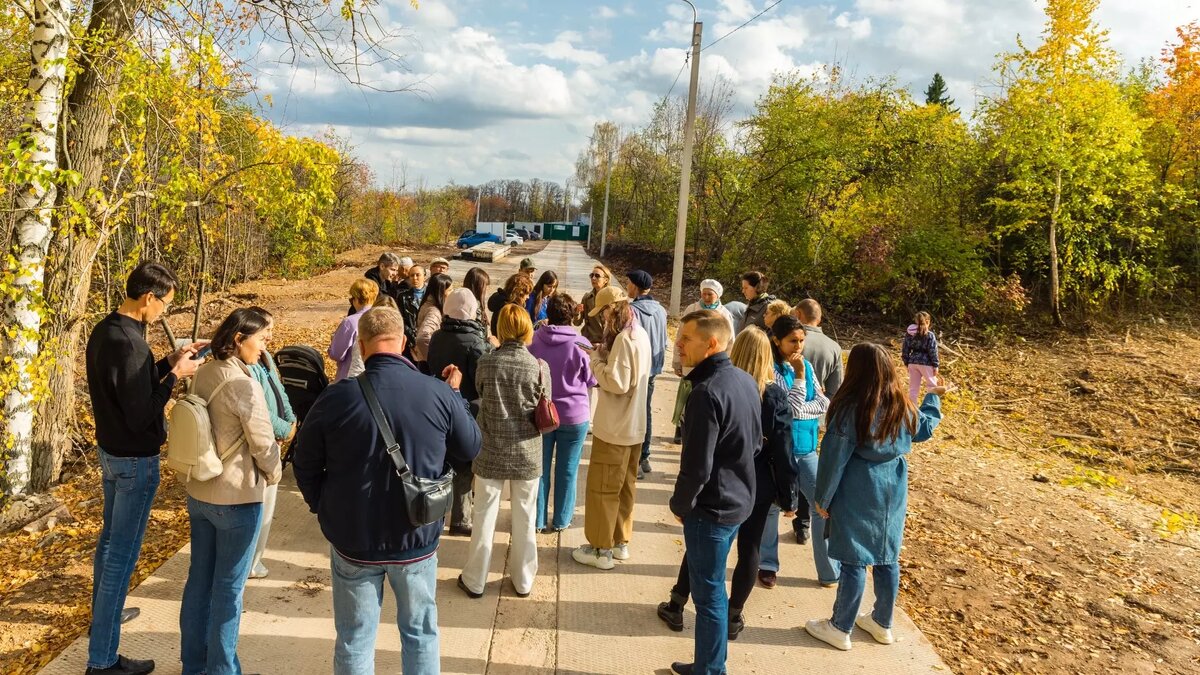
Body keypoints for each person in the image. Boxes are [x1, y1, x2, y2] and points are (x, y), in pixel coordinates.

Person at [292, 307, 482, 674]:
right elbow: (470, 448)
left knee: (354, 638)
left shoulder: (336, 398)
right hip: (416, 536)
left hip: (354, 540)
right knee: (420, 633)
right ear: (405, 344)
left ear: (361, 347)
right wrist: (455, 396)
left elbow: (304, 463)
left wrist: (324, 506)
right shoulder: (437, 393)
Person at [84, 262, 203, 675]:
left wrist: (166, 363)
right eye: (165, 305)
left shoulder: (107, 330)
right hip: (134, 459)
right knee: (121, 556)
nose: (164, 313)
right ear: (148, 297)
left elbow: (130, 388)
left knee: (108, 545)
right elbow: (142, 413)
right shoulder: (131, 343)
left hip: (112, 454)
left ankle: (103, 622)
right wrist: (175, 376)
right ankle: (102, 660)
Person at [657, 326, 797, 644]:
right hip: (757, 487)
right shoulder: (772, 393)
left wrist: (682, 502)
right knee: (750, 548)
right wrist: (790, 496)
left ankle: (678, 601)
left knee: (701, 549)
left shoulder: (727, 387)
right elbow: (784, 448)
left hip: (724, 482)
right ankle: (734, 614)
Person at [804, 344, 949, 651]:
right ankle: (883, 623)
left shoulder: (852, 406)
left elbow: (834, 456)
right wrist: (933, 397)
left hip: (858, 485)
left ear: (856, 369)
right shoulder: (901, 404)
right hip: (893, 486)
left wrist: (822, 497)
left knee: (854, 558)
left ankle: (840, 626)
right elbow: (924, 428)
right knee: (887, 555)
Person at [181, 308, 283, 675]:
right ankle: (223, 669)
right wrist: (275, 474)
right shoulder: (244, 384)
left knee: (199, 582)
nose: (265, 347)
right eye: (262, 340)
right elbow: (263, 443)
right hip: (236, 498)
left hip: (200, 492)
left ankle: (194, 665)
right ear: (240, 339)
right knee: (229, 590)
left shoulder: (205, 371)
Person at [666, 310, 762, 675]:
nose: (678, 346)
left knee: (709, 598)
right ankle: (710, 663)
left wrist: (680, 503)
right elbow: (753, 445)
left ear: (712, 344)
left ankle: (710, 670)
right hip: (738, 500)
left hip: (712, 510)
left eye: (685, 339)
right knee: (713, 594)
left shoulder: (706, 392)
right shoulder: (743, 379)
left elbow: (697, 467)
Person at [458, 305, 550, 599]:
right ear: (526, 329)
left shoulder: (486, 362)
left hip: (491, 448)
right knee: (525, 516)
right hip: (527, 451)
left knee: (484, 514)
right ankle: (523, 580)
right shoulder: (538, 366)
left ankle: (475, 579)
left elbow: (481, 393)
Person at [572, 286, 651, 570]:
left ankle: (600, 549)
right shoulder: (638, 333)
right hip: (634, 426)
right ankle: (619, 542)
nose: (602, 318)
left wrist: (594, 360)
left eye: (603, 312)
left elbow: (617, 383)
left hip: (614, 428)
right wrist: (604, 354)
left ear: (610, 310)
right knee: (625, 488)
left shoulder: (623, 341)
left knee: (602, 489)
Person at [758, 315, 834, 588]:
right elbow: (788, 410)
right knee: (771, 509)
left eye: (802, 340)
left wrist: (804, 403)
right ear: (777, 341)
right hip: (778, 450)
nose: (798, 346)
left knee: (821, 506)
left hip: (806, 449)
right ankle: (767, 564)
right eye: (793, 341)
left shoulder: (808, 365)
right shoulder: (770, 369)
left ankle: (828, 569)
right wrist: (800, 380)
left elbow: (822, 402)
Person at [427, 288, 494, 537]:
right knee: (464, 463)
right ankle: (461, 518)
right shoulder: (476, 342)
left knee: (442, 459)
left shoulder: (437, 337)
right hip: (468, 406)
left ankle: (434, 511)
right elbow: (482, 379)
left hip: (438, 403)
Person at [528, 293, 596, 533]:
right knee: (568, 469)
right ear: (573, 315)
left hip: (542, 413)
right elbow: (591, 379)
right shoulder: (581, 343)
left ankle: (537, 519)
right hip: (574, 415)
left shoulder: (535, 340)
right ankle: (561, 520)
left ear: (549, 314)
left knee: (540, 468)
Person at [245, 307, 298, 580]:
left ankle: (257, 559)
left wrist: (291, 420)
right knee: (259, 507)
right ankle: (250, 562)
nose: (270, 337)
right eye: (266, 332)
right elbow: (259, 411)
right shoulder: (245, 368)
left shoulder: (265, 359)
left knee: (269, 507)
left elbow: (279, 391)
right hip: (263, 443)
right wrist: (282, 429)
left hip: (277, 438)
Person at [672, 280, 735, 443]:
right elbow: (680, 336)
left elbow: (730, 342)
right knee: (687, 395)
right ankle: (681, 426)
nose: (706, 297)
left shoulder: (724, 313)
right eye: (703, 293)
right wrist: (677, 361)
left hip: (711, 365)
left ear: (718, 295)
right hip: (690, 363)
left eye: (710, 294)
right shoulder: (692, 309)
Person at [625, 269, 666, 479]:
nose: (627, 287)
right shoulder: (661, 310)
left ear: (635, 286)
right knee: (646, 410)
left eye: (628, 283)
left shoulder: (632, 310)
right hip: (652, 369)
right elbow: (664, 340)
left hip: (636, 367)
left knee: (634, 412)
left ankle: (636, 461)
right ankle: (645, 456)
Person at [330, 278, 378, 382]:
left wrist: (334, 339)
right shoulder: (381, 318)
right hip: (376, 376)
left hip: (351, 377)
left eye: (352, 299)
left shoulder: (350, 322)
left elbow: (336, 354)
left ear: (356, 298)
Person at [413, 272, 453, 371]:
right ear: (441, 292)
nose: (453, 292)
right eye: (450, 290)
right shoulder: (434, 312)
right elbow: (422, 338)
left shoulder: (428, 303)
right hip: (429, 367)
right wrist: (435, 360)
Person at [902, 311, 940, 403]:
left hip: (912, 362)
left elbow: (905, 349)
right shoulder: (930, 335)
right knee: (932, 387)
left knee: (913, 389)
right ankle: (931, 408)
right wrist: (935, 365)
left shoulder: (909, 334)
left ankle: (912, 412)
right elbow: (932, 350)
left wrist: (907, 362)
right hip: (926, 363)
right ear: (928, 321)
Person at [574, 264, 612, 345]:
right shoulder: (587, 298)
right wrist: (577, 312)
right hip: (589, 342)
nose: (593, 278)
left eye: (597, 276)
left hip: (606, 343)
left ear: (606, 280)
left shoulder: (612, 298)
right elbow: (576, 323)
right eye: (592, 275)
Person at [487, 272, 533, 337]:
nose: (528, 297)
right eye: (527, 294)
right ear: (519, 294)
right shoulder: (511, 311)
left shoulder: (500, 302)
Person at [398, 265, 427, 361]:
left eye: (418, 275)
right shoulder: (403, 297)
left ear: (424, 276)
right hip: (410, 341)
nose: (415, 278)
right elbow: (401, 320)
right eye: (412, 275)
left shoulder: (431, 295)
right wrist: (413, 339)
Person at [462, 266, 493, 338]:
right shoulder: (474, 306)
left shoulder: (464, 300)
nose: (488, 288)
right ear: (478, 286)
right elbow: (478, 334)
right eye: (486, 285)